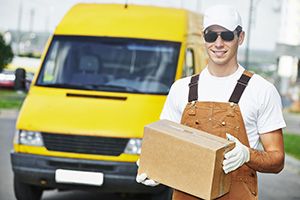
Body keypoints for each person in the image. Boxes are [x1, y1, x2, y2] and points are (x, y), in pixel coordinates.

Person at [136, 4, 286, 200]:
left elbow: (277, 160)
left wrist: (247, 155)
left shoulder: (261, 90)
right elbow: (164, 145)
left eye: (227, 35)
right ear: (202, 37)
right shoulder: (180, 89)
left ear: (240, 37)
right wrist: (155, 167)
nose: (218, 43)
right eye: (211, 35)